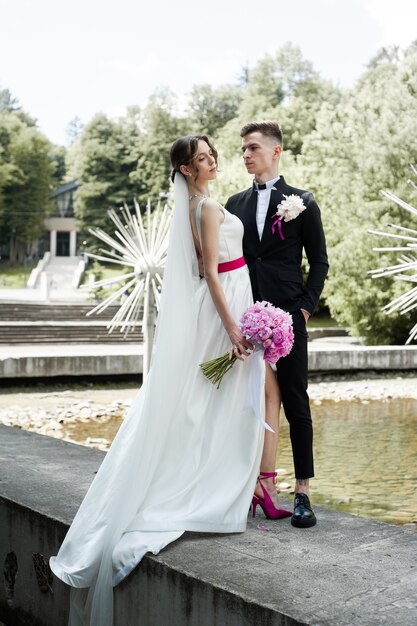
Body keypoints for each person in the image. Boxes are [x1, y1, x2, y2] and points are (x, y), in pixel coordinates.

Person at [50, 135, 275, 626]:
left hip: (225, 302)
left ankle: (222, 478)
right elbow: (212, 273)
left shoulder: (194, 205)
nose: (211, 161)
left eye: (213, 155)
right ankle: (212, 485)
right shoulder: (208, 208)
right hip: (224, 305)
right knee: (217, 400)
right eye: (202, 158)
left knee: (206, 400)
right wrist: (235, 326)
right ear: (185, 169)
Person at [225, 121, 329, 528]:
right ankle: (249, 485)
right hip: (245, 319)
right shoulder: (234, 204)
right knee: (244, 400)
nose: (246, 154)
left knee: (294, 400)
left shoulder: (302, 202)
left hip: (289, 319)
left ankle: (302, 492)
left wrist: (304, 309)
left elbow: (319, 261)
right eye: (243, 149)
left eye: (252, 147)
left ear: (275, 151)